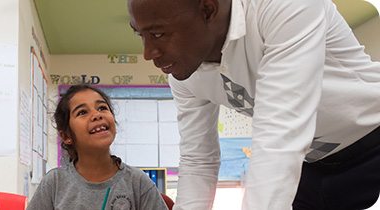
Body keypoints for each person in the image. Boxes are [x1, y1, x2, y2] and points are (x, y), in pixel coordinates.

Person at [127, 0, 380, 209]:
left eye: (158, 34)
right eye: (141, 35)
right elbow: (198, 159)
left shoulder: (283, 6)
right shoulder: (184, 74)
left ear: (207, 9)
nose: (148, 53)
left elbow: (279, 134)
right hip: (310, 165)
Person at [26, 84, 168, 210]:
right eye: (82, 112)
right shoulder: (55, 183)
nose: (96, 115)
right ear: (66, 136)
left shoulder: (137, 182)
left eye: (102, 108)